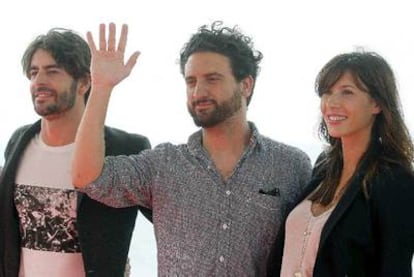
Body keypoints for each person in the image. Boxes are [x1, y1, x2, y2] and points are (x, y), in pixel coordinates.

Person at [72, 22, 312, 276]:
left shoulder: (291, 166)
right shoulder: (164, 165)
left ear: (246, 85)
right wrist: (101, 88)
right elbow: (86, 176)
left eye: (212, 79)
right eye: (191, 81)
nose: (198, 91)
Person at [0, 28, 152, 277]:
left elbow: (175, 220)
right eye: (34, 72)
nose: (39, 81)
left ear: (84, 82)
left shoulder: (126, 149)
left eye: (52, 71)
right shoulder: (19, 142)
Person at [280, 51, 414, 276]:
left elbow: (395, 268)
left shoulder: (396, 181)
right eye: (327, 92)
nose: (331, 103)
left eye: (347, 92)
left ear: (377, 103)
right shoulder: (324, 166)